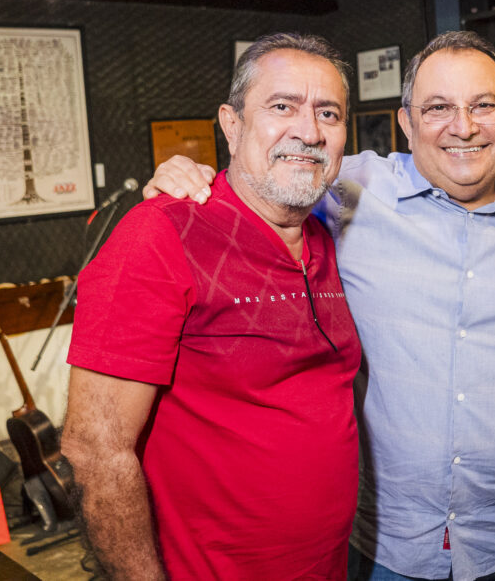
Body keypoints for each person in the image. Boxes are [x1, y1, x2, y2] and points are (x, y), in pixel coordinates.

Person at [146, 31, 495, 581]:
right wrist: (186, 175)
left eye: (483, 105)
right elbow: (265, 176)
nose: (463, 126)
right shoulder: (347, 191)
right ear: (406, 123)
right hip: (387, 546)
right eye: (437, 108)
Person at [61, 33, 362, 580]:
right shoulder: (160, 233)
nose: (309, 131)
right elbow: (94, 449)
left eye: (329, 113)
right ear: (231, 124)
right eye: (282, 106)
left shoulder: (329, 231)